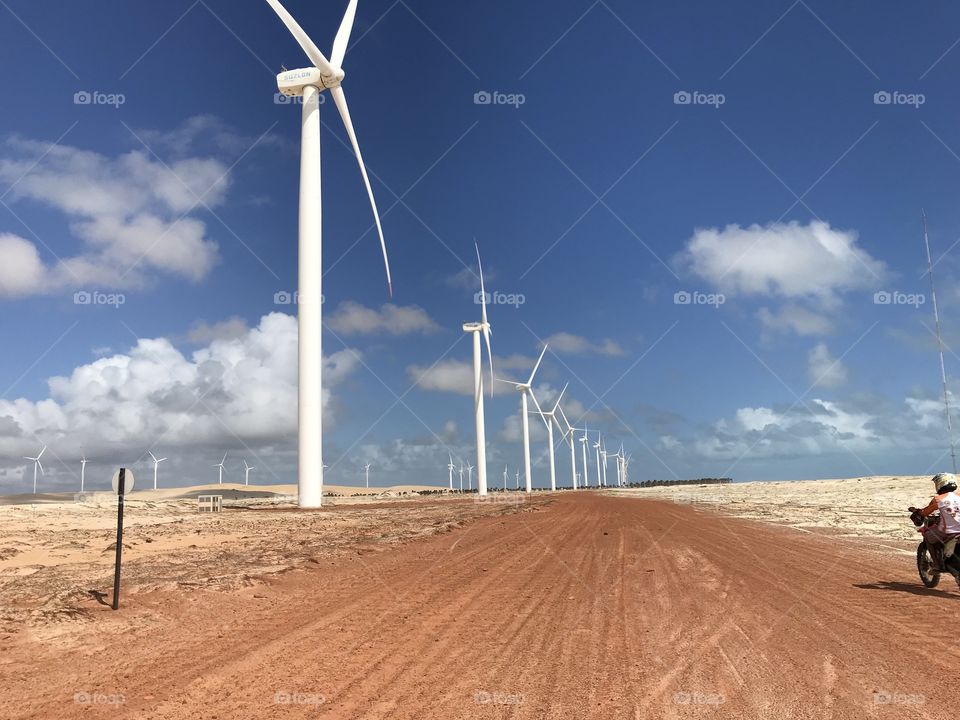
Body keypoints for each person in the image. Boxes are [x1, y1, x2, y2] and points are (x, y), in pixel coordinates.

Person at [915, 473, 960, 580]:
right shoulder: (959, 496)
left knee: (927, 535)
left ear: (940, 484)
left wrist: (917, 512)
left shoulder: (938, 499)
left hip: (948, 531)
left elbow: (924, 513)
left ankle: (937, 564)